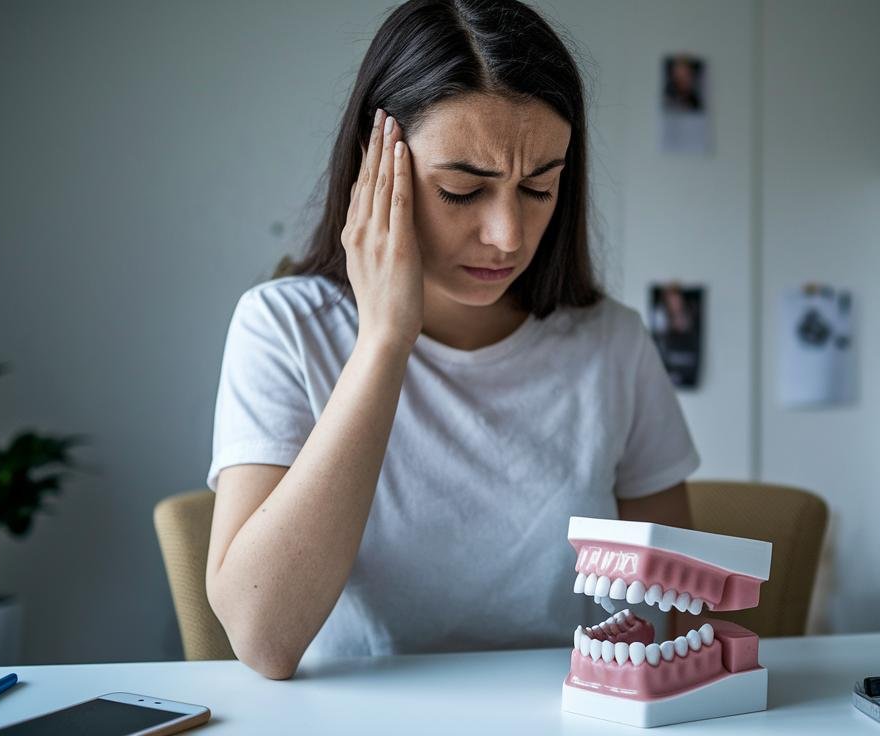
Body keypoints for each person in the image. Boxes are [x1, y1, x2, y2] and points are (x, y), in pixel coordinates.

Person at [204, 0, 700, 681]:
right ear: (375, 174)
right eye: (463, 191)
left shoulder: (612, 344)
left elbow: (683, 613)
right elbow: (264, 639)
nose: (509, 236)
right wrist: (383, 340)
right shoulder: (283, 328)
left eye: (538, 188)